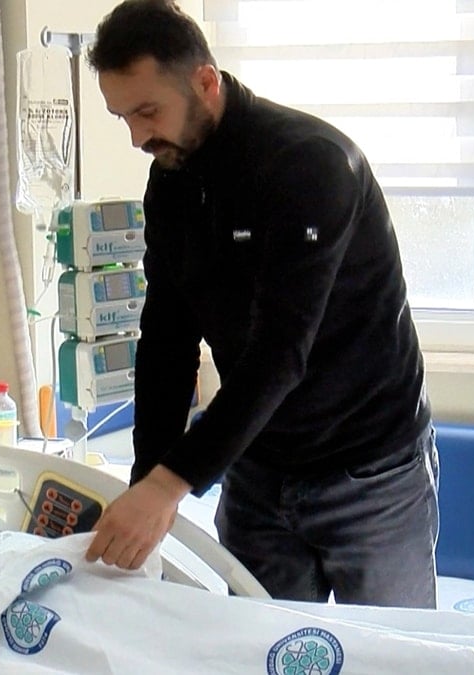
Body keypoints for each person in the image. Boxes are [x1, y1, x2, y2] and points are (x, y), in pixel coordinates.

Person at [83, 0, 440, 609]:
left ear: (205, 82)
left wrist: (170, 484)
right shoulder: (172, 181)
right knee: (259, 648)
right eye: (124, 118)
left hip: (370, 471)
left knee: (392, 651)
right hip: (259, 471)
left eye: (147, 111)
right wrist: (146, 479)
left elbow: (280, 352)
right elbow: (167, 340)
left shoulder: (311, 165)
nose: (138, 137)